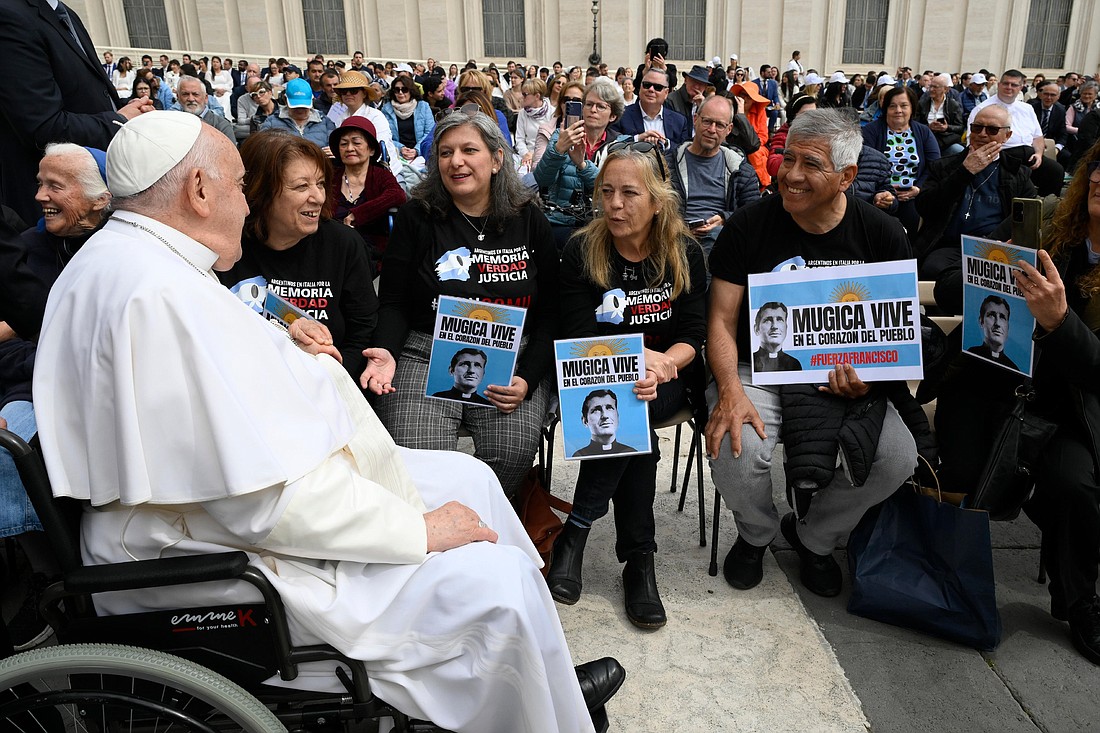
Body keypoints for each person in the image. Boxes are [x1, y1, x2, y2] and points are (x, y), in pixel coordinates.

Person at [31, 111, 623, 733]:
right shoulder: (156, 294)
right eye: (238, 187)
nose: (245, 203)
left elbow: (233, 346)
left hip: (202, 512)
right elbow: (263, 502)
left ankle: (543, 676)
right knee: (492, 581)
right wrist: (412, 530)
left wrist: (286, 332)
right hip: (198, 550)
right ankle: (530, 696)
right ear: (199, 191)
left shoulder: (131, 258)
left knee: (467, 476)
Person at [705, 109, 919, 597]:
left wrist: (870, 377)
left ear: (846, 177)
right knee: (737, 448)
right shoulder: (748, 226)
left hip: (844, 376)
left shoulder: (882, 234)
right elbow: (719, 320)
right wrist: (730, 391)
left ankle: (814, 538)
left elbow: (898, 330)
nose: (792, 174)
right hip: (755, 369)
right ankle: (755, 534)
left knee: (895, 459)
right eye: (788, 158)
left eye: (811, 164)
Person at [934, 153, 1100, 666]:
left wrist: (1059, 322)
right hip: (996, 380)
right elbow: (944, 283)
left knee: (1074, 483)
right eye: (1097, 170)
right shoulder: (1047, 221)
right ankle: (940, 569)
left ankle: (1081, 602)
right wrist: (985, 269)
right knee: (958, 468)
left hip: (1072, 406)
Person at [549, 145, 707, 630]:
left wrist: (662, 365)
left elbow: (693, 336)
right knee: (627, 415)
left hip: (670, 380)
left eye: (629, 193)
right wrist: (635, 360)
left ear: (658, 201)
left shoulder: (684, 252)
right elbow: (575, 334)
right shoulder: (582, 248)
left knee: (632, 409)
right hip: (596, 376)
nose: (614, 205)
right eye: (607, 192)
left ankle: (575, 531)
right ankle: (639, 560)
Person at [364, 110, 559, 500]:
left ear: (497, 159)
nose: (456, 161)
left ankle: (485, 530)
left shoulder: (528, 218)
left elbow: (552, 311)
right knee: (418, 455)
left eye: (470, 150)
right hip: (425, 351)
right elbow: (395, 300)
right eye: (445, 152)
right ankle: (436, 535)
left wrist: (529, 378)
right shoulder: (416, 216)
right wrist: (385, 351)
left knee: (511, 451)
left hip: (511, 358)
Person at [0, 144, 110, 650]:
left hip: (105, 391)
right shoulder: (24, 248)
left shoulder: (121, 251)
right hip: (29, 390)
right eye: (40, 182)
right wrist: (44, 356)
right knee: (11, 445)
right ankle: (47, 577)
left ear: (99, 198)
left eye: (55, 186)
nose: (39, 195)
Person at [217, 131, 376, 381]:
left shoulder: (343, 244)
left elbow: (363, 332)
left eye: (321, 183)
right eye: (302, 186)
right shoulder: (226, 247)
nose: (318, 197)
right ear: (262, 191)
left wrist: (331, 382)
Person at [0, 0, 153, 224]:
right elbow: (44, 127)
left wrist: (129, 107)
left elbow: (85, 94)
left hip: (91, 192)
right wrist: (118, 120)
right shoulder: (10, 15)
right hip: (53, 207)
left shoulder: (65, 13)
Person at [914, 105, 1037, 311]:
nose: (982, 134)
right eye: (977, 127)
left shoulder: (1018, 173)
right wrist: (964, 172)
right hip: (950, 247)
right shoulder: (945, 166)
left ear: (1007, 136)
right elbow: (925, 207)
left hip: (996, 249)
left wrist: (992, 245)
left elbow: (1025, 216)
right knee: (933, 268)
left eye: (991, 130)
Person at [535, 78, 628, 250]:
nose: (593, 110)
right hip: (561, 220)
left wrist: (582, 165)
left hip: (603, 222)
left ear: (613, 115)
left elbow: (609, 189)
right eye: (588, 104)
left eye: (601, 106)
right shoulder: (560, 136)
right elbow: (542, 180)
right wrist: (557, 151)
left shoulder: (620, 145)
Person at [665, 95, 760, 258]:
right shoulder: (667, 164)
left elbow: (755, 215)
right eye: (707, 121)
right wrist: (679, 227)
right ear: (695, 120)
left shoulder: (741, 169)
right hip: (675, 240)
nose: (712, 130)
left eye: (720, 125)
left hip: (723, 243)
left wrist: (725, 218)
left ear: (729, 129)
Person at [968, 69, 1064, 196]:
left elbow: (1038, 137)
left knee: (1056, 171)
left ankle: (1047, 210)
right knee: (1022, 181)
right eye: (1006, 83)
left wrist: (1039, 154)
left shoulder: (1027, 108)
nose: (1009, 87)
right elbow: (973, 140)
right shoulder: (982, 109)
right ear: (999, 85)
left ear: (1021, 87)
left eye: (1014, 85)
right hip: (1001, 157)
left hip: (1029, 156)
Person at [327, 117, 406, 271]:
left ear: (371, 149)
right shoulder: (331, 177)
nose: (349, 148)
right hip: (334, 248)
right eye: (344, 144)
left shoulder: (380, 175)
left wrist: (357, 214)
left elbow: (398, 195)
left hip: (371, 253)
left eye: (356, 143)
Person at [616, 68, 690, 149]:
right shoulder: (621, 115)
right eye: (646, 85)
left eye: (657, 87)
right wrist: (637, 139)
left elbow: (684, 150)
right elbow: (612, 145)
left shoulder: (679, 121)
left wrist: (666, 144)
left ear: (666, 93)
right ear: (640, 88)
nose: (651, 89)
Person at [260, 78, 335, 150]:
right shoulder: (271, 123)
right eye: (295, 107)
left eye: (304, 107)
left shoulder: (325, 122)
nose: (300, 111)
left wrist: (333, 152)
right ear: (285, 100)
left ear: (312, 100)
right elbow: (262, 149)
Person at [381, 77, 435, 166]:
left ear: (411, 91)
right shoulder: (386, 109)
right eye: (397, 90)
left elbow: (430, 133)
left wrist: (417, 150)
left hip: (421, 155)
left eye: (404, 89)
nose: (400, 93)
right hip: (397, 155)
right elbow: (385, 135)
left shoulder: (423, 106)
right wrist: (400, 148)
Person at [570, 390, 636, 457]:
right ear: (585, 421)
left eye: (609, 408)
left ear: (617, 415)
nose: (605, 416)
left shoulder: (632, 452)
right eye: (596, 410)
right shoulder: (579, 455)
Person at [176, 75, 237, 143]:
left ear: (206, 98)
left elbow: (230, 153)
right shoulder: (173, 124)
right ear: (178, 97)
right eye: (185, 94)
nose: (191, 99)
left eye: (195, 94)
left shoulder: (221, 126)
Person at [916, 73, 965, 156]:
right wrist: (928, 127)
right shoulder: (922, 103)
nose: (931, 89)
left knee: (960, 151)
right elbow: (914, 123)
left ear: (945, 89)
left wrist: (946, 127)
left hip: (945, 141)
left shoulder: (953, 105)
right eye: (930, 86)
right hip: (925, 138)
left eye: (935, 87)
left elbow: (960, 127)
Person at [965, 294, 1019, 369]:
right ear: (981, 321)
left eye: (1002, 317)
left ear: (1008, 326)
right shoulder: (969, 355)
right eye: (991, 315)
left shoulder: (1013, 368)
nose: (997, 323)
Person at [752, 302, 801, 372]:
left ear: (786, 327)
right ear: (756, 329)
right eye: (768, 320)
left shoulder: (794, 364)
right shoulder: (750, 362)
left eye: (779, 319)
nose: (774, 326)